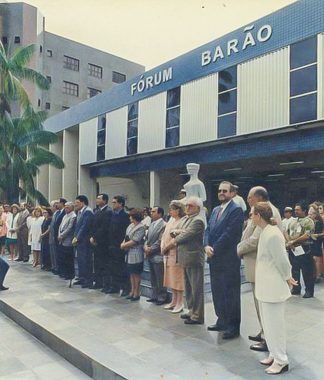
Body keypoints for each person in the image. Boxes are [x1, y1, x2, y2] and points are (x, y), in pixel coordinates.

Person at [252, 202, 297, 375]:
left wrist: (288, 277)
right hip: (265, 287)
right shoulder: (266, 232)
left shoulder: (272, 234)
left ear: (258, 215)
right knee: (268, 325)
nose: (250, 216)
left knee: (275, 326)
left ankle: (281, 360)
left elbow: (282, 260)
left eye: (252, 213)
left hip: (273, 288)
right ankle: (273, 353)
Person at [237, 186, 283, 352]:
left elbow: (255, 240)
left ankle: (268, 338)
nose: (248, 200)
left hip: (260, 264)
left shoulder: (266, 211)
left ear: (259, 197)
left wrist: (238, 249)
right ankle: (264, 331)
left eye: (250, 197)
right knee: (260, 304)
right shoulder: (260, 210)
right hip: (255, 263)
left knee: (263, 304)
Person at [204, 181, 244, 339]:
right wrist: (206, 245)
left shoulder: (236, 210)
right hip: (214, 258)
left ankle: (233, 326)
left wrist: (214, 249)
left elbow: (230, 234)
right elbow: (208, 229)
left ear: (233, 193)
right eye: (220, 190)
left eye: (225, 191)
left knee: (230, 293)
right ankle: (221, 320)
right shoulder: (215, 210)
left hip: (228, 259)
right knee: (217, 291)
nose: (221, 193)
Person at [167, 196, 205, 325]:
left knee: (196, 288)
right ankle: (191, 310)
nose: (187, 208)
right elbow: (175, 231)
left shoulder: (198, 220)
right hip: (184, 258)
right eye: (186, 205)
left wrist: (177, 234)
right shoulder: (186, 219)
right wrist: (179, 232)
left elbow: (184, 236)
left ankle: (197, 315)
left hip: (193, 258)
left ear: (198, 208)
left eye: (191, 206)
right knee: (188, 288)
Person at [161, 200, 185, 313]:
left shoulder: (182, 221)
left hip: (176, 253)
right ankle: (174, 301)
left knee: (178, 279)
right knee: (170, 278)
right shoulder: (170, 220)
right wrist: (162, 246)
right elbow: (164, 235)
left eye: (172, 209)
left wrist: (167, 247)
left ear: (178, 210)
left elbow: (177, 238)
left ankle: (180, 303)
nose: (170, 211)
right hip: (167, 254)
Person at [287, 202, 315, 298]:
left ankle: (309, 291)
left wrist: (293, 241)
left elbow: (307, 235)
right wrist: (289, 243)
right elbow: (287, 232)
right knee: (294, 270)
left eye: (298, 210)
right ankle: (296, 288)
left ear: (304, 210)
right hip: (293, 248)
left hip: (304, 249)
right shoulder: (293, 221)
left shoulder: (308, 221)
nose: (296, 211)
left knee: (307, 271)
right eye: (295, 209)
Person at [120, 208, 145, 301]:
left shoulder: (141, 227)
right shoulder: (130, 226)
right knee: (131, 273)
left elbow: (135, 240)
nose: (129, 217)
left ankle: (137, 292)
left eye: (131, 216)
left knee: (136, 273)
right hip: (128, 252)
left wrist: (124, 245)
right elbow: (126, 237)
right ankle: (132, 291)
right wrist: (123, 243)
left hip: (136, 252)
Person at [107, 195, 130, 295]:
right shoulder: (112, 215)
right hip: (111, 245)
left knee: (122, 268)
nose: (113, 204)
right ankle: (114, 286)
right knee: (113, 267)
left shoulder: (125, 216)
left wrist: (123, 244)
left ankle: (125, 288)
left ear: (121, 204)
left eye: (115, 202)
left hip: (120, 245)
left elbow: (126, 232)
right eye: (112, 202)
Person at [144, 206, 167, 305]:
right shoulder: (152, 224)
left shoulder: (164, 225)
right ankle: (154, 295)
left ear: (160, 213)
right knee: (152, 277)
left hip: (157, 254)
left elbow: (160, 240)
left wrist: (150, 249)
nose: (151, 213)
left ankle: (162, 297)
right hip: (150, 254)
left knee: (160, 277)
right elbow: (147, 238)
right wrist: (145, 246)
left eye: (153, 211)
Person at [90, 194, 112, 289]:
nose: (97, 200)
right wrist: (92, 237)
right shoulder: (96, 211)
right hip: (95, 241)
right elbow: (93, 226)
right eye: (97, 198)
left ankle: (106, 284)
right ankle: (98, 282)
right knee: (97, 263)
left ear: (105, 200)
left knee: (104, 264)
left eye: (99, 198)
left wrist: (95, 238)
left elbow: (104, 228)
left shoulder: (108, 211)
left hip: (103, 242)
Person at [72, 195, 94, 288]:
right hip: (80, 241)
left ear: (83, 202)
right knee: (80, 260)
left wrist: (77, 237)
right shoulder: (79, 212)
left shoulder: (88, 212)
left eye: (77, 203)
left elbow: (84, 226)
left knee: (86, 260)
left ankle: (88, 280)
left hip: (85, 241)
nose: (75, 205)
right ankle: (81, 278)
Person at [58, 202, 77, 283]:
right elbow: (60, 226)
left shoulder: (73, 216)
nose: (66, 209)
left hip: (68, 240)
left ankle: (70, 274)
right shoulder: (65, 216)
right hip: (62, 240)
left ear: (72, 208)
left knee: (69, 259)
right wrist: (59, 234)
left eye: (67, 207)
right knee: (63, 258)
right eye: (65, 207)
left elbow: (69, 228)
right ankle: (64, 273)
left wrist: (61, 235)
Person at [308, 204, 324, 283]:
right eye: (310, 212)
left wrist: (317, 235)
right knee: (313, 258)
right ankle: (315, 274)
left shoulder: (319, 221)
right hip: (311, 241)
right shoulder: (309, 221)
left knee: (316, 258)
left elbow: (321, 232)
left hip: (317, 241)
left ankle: (318, 275)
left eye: (312, 212)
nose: (310, 213)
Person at [54, 198, 67, 276]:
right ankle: (59, 269)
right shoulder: (59, 212)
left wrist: (60, 235)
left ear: (62, 204)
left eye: (58, 203)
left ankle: (62, 271)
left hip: (62, 238)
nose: (56, 205)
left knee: (62, 255)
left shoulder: (64, 213)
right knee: (58, 255)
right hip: (57, 236)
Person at [49, 200, 59, 274]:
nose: (50, 208)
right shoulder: (54, 214)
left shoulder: (58, 214)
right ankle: (54, 266)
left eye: (51, 206)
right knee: (52, 253)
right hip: (51, 236)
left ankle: (56, 267)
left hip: (55, 237)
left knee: (55, 253)